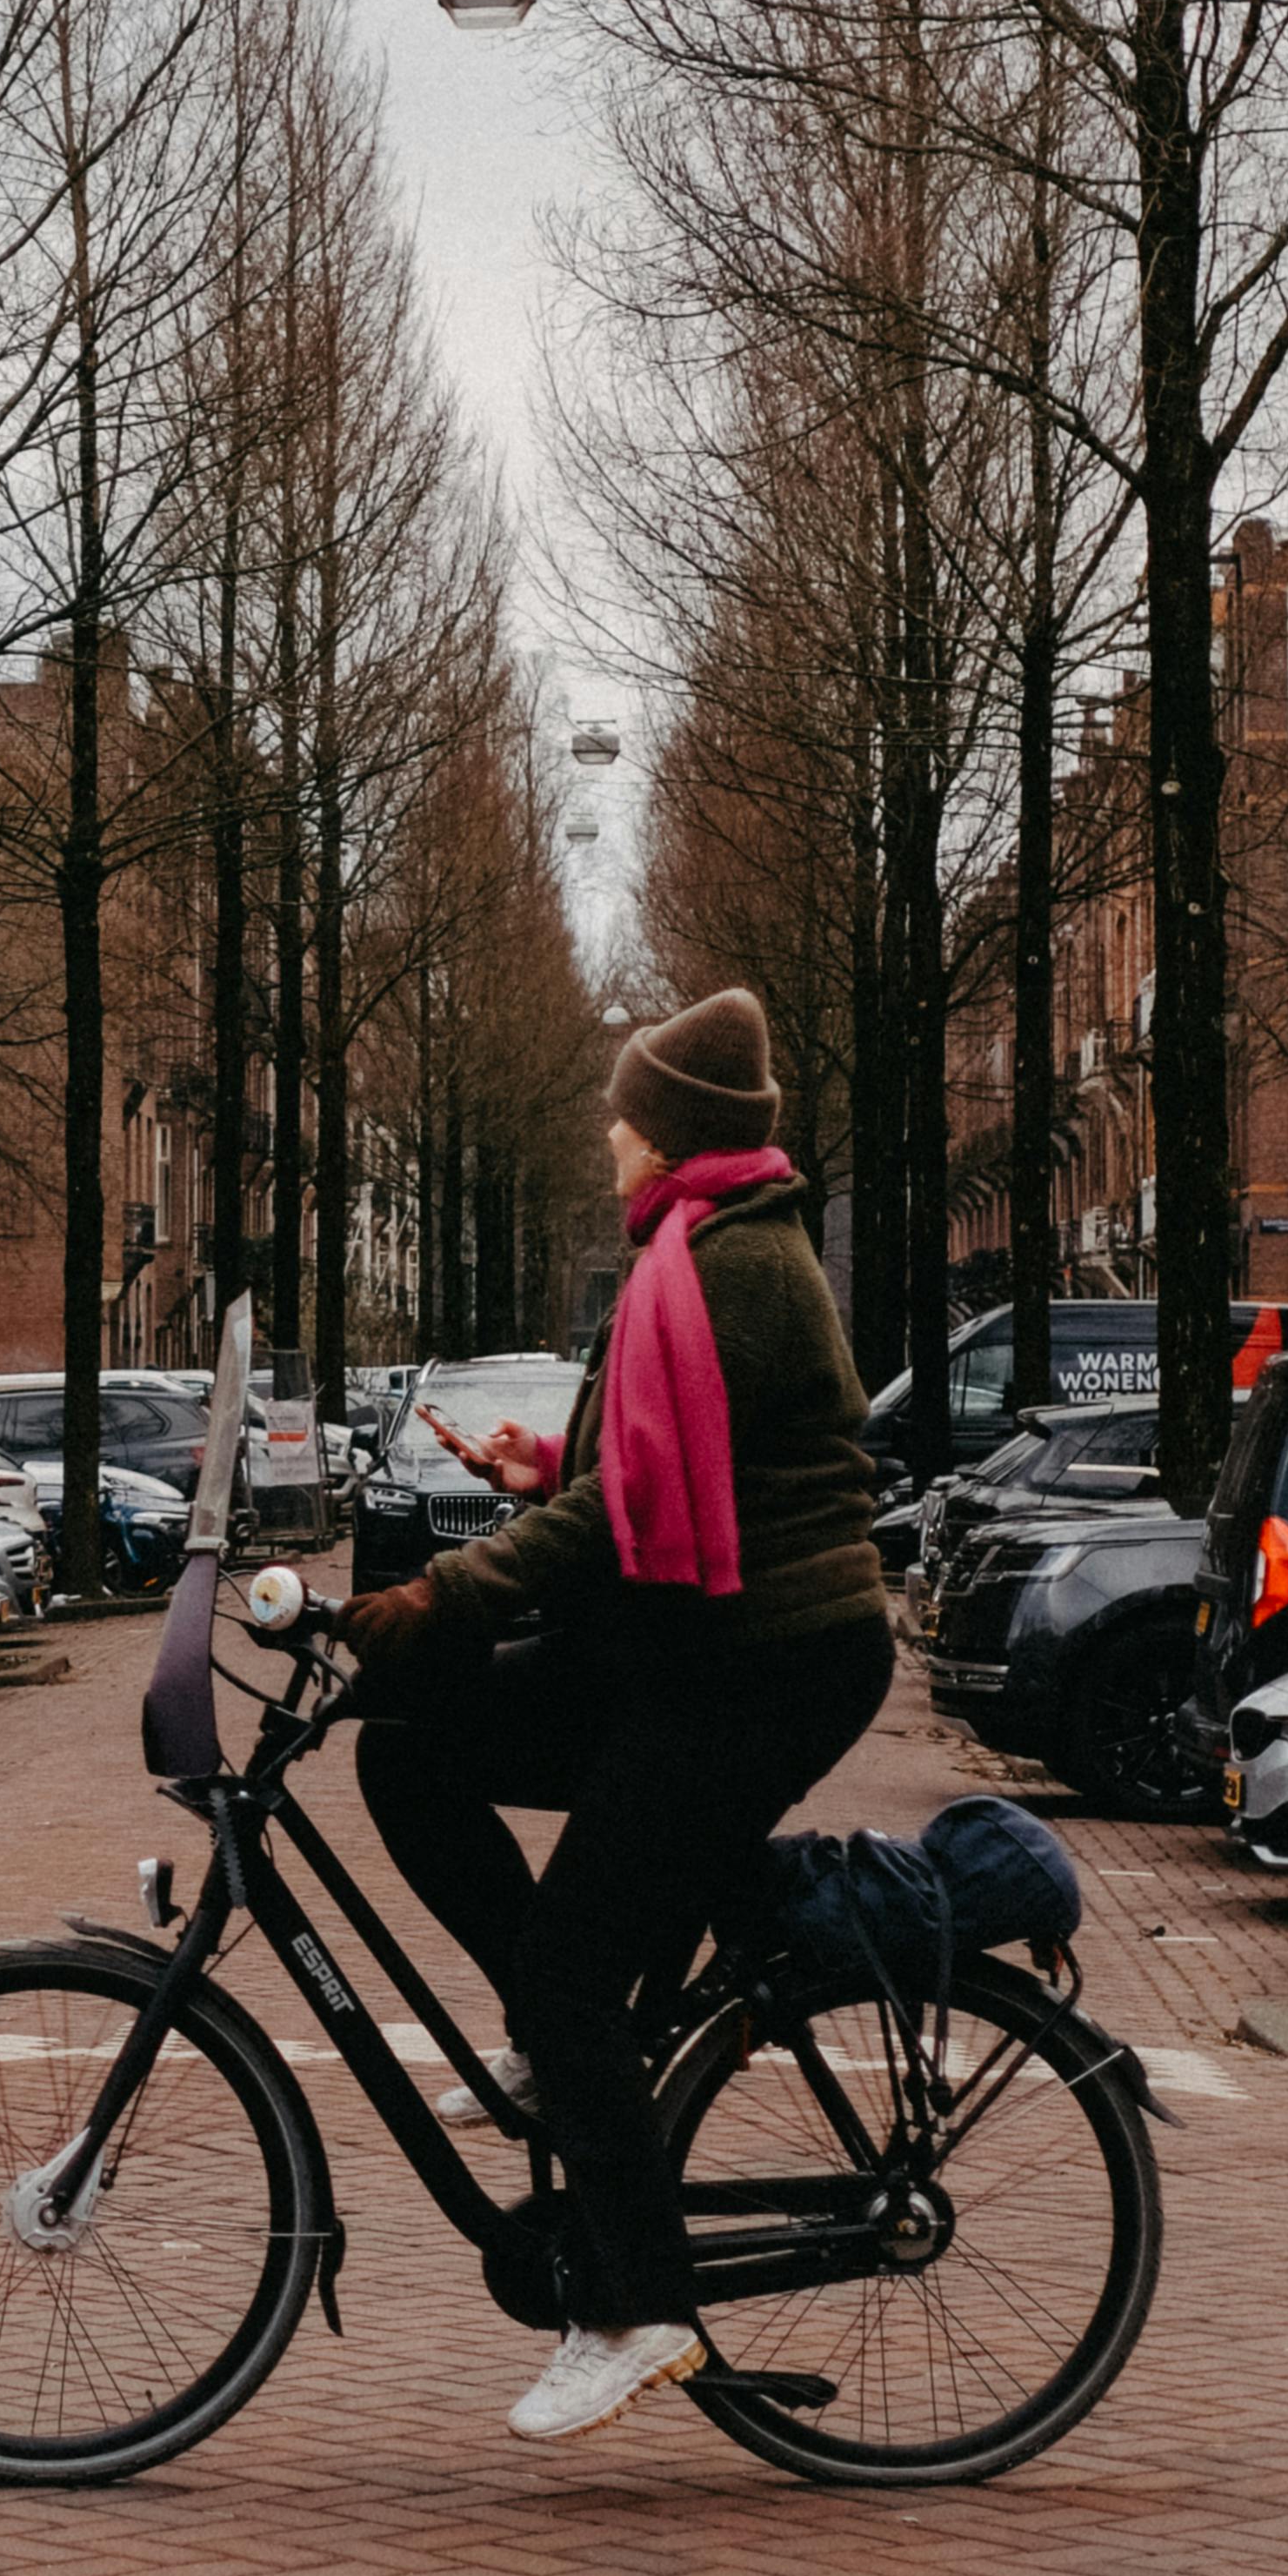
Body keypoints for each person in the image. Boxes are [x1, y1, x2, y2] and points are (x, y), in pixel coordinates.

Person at [336, 987, 892, 2443]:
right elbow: (642, 1469)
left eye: (626, 1112)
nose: (608, 1131)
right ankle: (556, 2049)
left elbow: (641, 1503)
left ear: (676, 1137)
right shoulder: (691, 1254)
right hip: (700, 1644)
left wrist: (450, 1593)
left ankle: (635, 2307)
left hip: (764, 1663)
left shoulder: (730, 1269)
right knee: (413, 1749)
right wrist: (548, 1463)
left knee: (581, 1972)